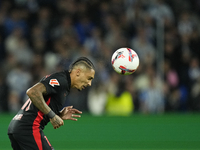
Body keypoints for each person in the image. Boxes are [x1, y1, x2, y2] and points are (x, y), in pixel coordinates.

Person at [7, 57, 95, 150]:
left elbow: (39, 106)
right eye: (89, 78)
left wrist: (58, 115)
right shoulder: (61, 80)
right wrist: (52, 115)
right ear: (78, 72)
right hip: (28, 128)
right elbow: (32, 92)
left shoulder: (63, 83)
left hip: (17, 127)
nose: (89, 83)